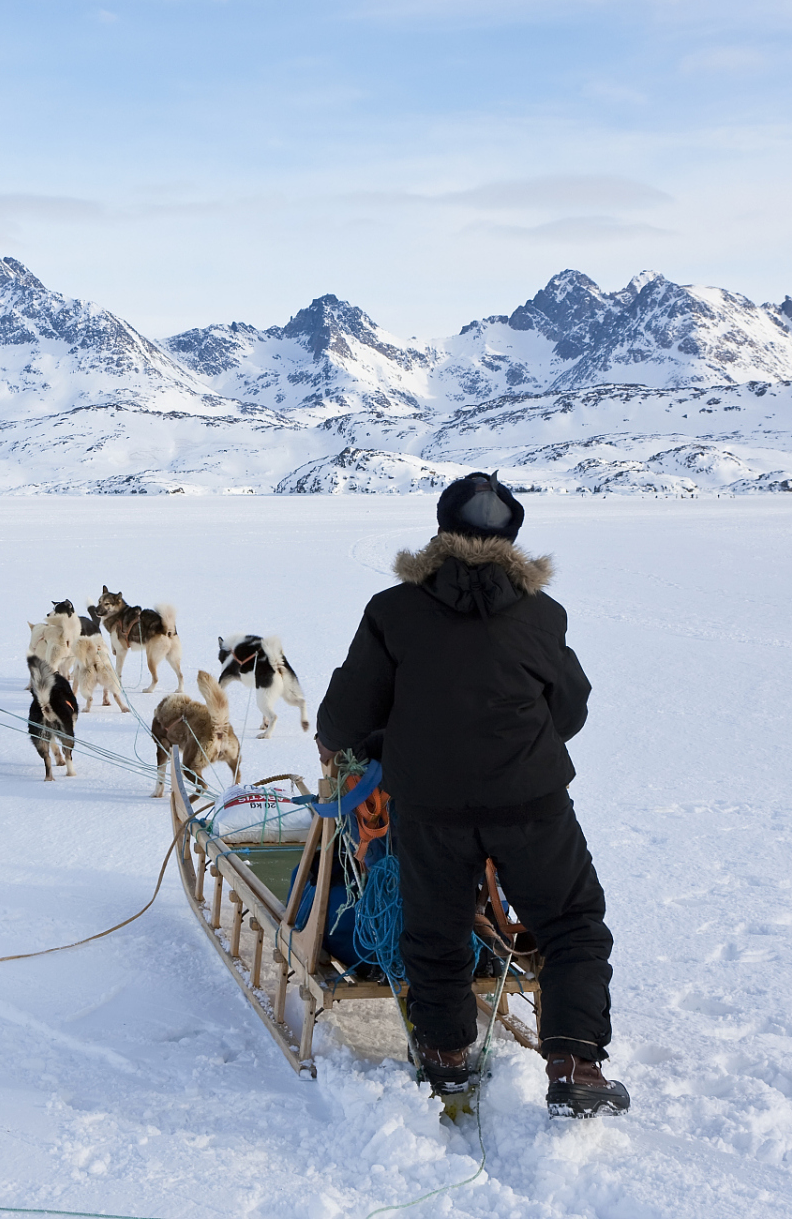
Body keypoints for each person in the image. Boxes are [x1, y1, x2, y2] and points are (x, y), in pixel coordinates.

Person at [315, 472, 629, 1118]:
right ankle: (576, 1064)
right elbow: (569, 706)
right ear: (512, 537)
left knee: (435, 931)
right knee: (571, 926)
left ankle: (447, 1056)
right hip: (533, 799)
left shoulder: (392, 610)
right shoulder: (542, 612)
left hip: (429, 806)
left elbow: (346, 717)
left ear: (441, 530)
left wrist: (381, 743)